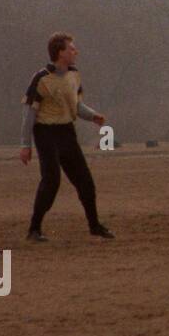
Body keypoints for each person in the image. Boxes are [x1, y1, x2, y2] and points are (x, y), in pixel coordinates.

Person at [18, 32, 114, 241]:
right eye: (71, 48)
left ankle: (95, 225)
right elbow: (29, 113)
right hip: (46, 133)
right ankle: (34, 229)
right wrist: (26, 145)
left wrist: (93, 116)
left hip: (66, 133)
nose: (75, 51)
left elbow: (76, 106)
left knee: (85, 181)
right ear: (60, 53)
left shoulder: (74, 75)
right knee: (51, 180)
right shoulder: (41, 78)